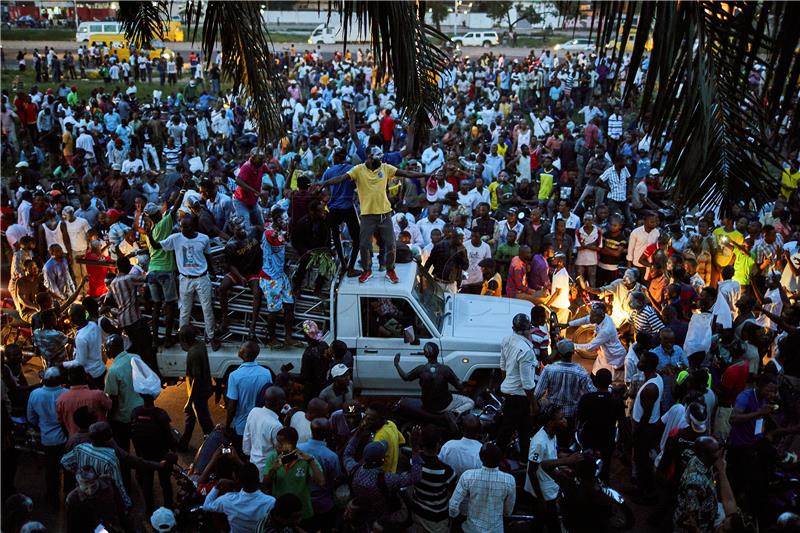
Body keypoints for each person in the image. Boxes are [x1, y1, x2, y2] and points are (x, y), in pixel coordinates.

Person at [314, 145, 429, 284]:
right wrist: (325, 183)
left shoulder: (385, 168)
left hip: (385, 214)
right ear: (369, 157)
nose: (380, 161)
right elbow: (341, 178)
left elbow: (406, 173)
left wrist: (426, 175)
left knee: (391, 243)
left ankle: (390, 270)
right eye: (377, 159)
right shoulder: (358, 170)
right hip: (367, 215)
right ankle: (367, 270)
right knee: (364, 244)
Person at [149, 212, 222, 350]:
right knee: (184, 311)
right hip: (185, 279)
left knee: (207, 309)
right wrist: (149, 233)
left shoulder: (204, 239)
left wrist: (214, 272)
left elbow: (208, 256)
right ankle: (183, 339)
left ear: (193, 226)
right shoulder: (175, 238)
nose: (183, 230)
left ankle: (211, 337)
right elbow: (157, 246)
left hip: (202, 278)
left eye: (186, 227)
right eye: (182, 227)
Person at [344, 426, 423, 526]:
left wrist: (356, 435)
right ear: (383, 460)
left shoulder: (353, 469)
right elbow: (416, 477)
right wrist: (415, 449)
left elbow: (347, 454)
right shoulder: (387, 479)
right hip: (382, 517)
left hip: (362, 515)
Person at [393, 341, 474, 423]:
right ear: (438, 353)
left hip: (427, 406)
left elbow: (405, 377)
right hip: (444, 405)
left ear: (425, 354)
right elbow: (459, 387)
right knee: (470, 402)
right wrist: (465, 388)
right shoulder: (445, 369)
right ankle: (454, 414)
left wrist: (396, 364)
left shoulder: (421, 369)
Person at [534, 340, 596, 442]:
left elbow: (537, 394)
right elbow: (592, 393)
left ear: (559, 353)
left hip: (551, 416)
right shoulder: (581, 372)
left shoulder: (549, 369)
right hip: (571, 416)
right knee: (567, 443)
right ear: (573, 353)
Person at [262, 426, 325, 524]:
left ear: (291, 444)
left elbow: (321, 482)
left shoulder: (306, 458)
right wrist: (273, 469)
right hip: (280, 514)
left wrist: (311, 461)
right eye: (277, 441)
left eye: (280, 442)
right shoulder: (273, 457)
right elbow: (265, 485)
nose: (276, 445)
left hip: (302, 514)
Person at [448, 442, 516, 533]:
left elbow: (453, 506)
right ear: (500, 460)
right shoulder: (509, 480)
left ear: (481, 458)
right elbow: (508, 511)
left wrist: (455, 517)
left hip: (471, 529)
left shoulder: (468, 476)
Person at [497, 313, 537, 458]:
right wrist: (533, 404)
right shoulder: (526, 351)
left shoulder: (507, 339)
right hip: (520, 397)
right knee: (512, 430)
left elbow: (503, 367)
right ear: (527, 329)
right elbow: (527, 383)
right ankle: (496, 457)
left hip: (510, 393)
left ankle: (522, 457)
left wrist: (506, 383)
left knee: (521, 429)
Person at [525, 405, 570, 532]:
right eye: (561, 418)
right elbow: (531, 471)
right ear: (551, 423)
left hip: (549, 486)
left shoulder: (552, 434)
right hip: (543, 491)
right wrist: (540, 499)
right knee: (551, 524)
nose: (565, 420)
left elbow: (552, 456)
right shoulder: (539, 442)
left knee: (542, 522)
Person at [27, 366, 67, 507]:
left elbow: (31, 418)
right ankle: (69, 498)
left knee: (51, 472)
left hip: (47, 440)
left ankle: (52, 500)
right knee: (68, 470)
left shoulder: (35, 394)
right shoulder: (66, 394)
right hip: (65, 439)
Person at [575, 368, 625, 482]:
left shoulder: (586, 398)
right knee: (605, 467)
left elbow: (579, 420)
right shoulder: (616, 400)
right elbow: (622, 423)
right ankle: (603, 488)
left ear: (595, 381)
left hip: (588, 438)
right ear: (610, 382)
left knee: (587, 466)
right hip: (607, 439)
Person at [130, 391, 176, 512]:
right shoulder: (161, 414)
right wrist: (172, 452)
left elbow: (133, 435)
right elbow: (169, 437)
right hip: (162, 453)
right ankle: (169, 507)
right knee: (165, 482)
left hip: (144, 453)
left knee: (147, 483)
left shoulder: (135, 412)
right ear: (155, 397)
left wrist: (138, 453)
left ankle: (149, 510)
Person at [226, 340, 272, 453]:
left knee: (239, 455)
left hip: (241, 427)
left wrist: (227, 426)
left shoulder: (234, 376)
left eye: (241, 348)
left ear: (245, 354)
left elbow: (231, 406)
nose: (239, 349)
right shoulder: (266, 373)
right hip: (260, 426)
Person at [203, 462, 276, 533]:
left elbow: (206, 506)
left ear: (239, 481)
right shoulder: (270, 502)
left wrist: (217, 486)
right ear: (258, 479)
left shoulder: (228, 499)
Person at [297, 418, 342, 531]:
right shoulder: (331, 456)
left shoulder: (298, 449)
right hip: (322, 504)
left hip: (301, 502)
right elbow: (335, 480)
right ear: (328, 433)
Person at [631, 351, 663, 504]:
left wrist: (637, 432)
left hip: (645, 429)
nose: (639, 362)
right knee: (641, 460)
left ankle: (648, 493)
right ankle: (640, 487)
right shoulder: (655, 378)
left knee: (643, 462)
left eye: (642, 360)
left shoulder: (650, 388)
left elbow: (646, 415)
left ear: (648, 365)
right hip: (647, 427)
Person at [103, 334, 143, 457]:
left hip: (123, 419)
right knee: (140, 450)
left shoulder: (113, 371)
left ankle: (125, 473)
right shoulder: (135, 357)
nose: (106, 351)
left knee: (123, 451)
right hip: (140, 411)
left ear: (113, 348)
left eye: (107, 348)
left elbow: (113, 400)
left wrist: (108, 419)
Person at [178, 324, 214, 449]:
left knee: (205, 421)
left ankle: (213, 446)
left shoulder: (193, 353)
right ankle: (183, 442)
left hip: (198, 393)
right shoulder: (200, 344)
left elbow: (196, 379)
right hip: (204, 388)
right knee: (190, 417)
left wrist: (189, 401)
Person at [568, 301, 627, 377]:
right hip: (603, 355)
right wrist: (568, 324)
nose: (591, 318)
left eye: (593, 316)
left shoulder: (606, 330)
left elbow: (589, 347)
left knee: (607, 382)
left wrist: (570, 345)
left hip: (613, 358)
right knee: (594, 376)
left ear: (601, 315)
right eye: (591, 315)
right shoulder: (601, 317)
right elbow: (587, 319)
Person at [65, 466, 131, 533]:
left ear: (98, 479)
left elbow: (120, 508)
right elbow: (72, 527)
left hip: (112, 525)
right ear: (78, 485)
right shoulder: (72, 499)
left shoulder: (109, 484)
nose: (90, 491)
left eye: (93, 486)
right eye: (85, 488)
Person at [57, 365, 112, 437]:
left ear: (69, 378)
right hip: (100, 438)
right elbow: (110, 406)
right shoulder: (98, 394)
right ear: (85, 377)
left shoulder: (61, 399)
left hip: (76, 438)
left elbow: (61, 422)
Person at [243, 385, 285, 473]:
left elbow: (247, 438)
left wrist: (248, 456)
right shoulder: (276, 425)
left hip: (253, 463)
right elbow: (280, 452)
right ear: (279, 404)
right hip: (267, 469)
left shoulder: (254, 412)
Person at [63, 303, 106, 389]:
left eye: (70, 316)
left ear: (76, 317)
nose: (69, 319)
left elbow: (80, 362)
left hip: (91, 375)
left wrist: (63, 364)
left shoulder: (81, 338)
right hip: (100, 369)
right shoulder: (93, 325)